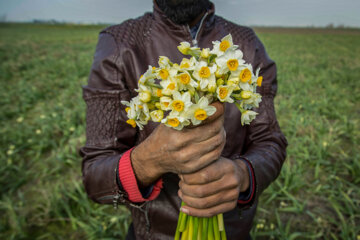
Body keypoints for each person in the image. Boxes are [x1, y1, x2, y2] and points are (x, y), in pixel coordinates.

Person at [79, 0, 288, 239]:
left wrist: (243, 175)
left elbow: (270, 142)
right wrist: (147, 162)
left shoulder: (247, 44)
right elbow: (94, 175)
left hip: (232, 232)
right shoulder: (119, 44)